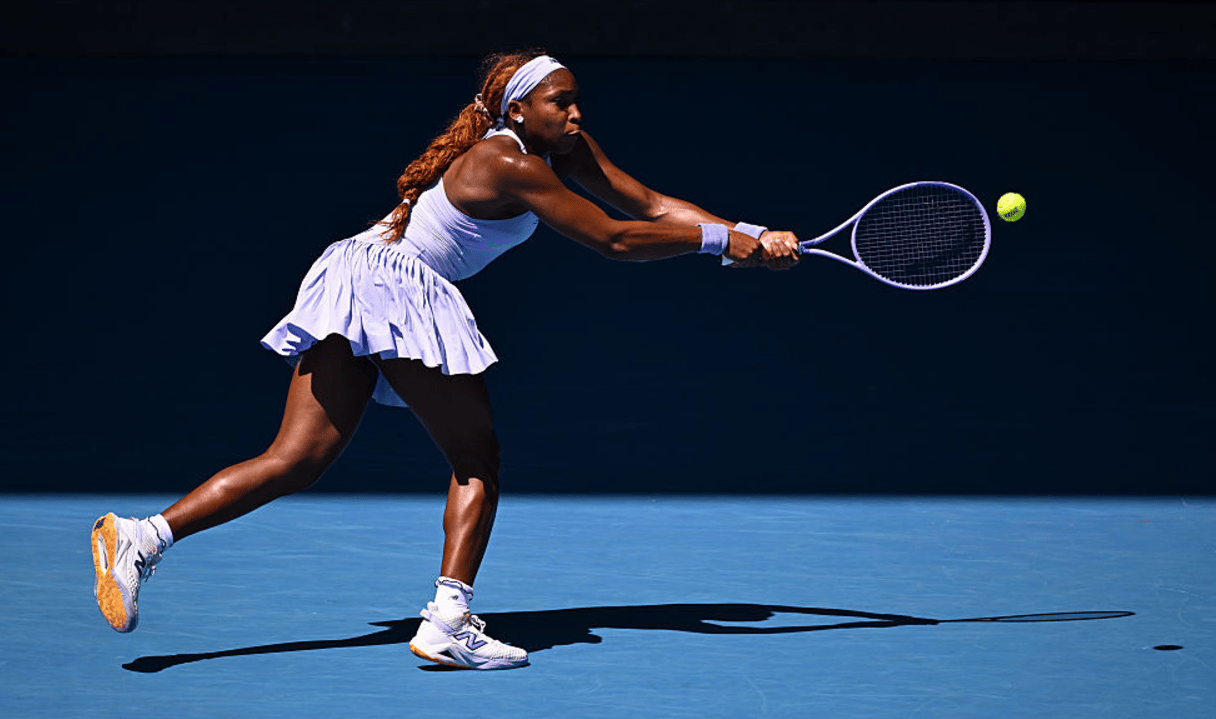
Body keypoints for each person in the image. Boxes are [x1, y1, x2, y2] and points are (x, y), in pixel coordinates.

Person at [90, 50, 800, 671]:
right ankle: (447, 622)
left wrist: (750, 232)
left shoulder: (557, 146)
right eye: (560, 102)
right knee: (475, 458)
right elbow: (613, 240)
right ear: (518, 110)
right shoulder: (507, 162)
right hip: (394, 286)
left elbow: (646, 203)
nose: (576, 113)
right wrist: (716, 243)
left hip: (358, 270)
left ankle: (142, 538)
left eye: (577, 99)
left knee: (297, 458)